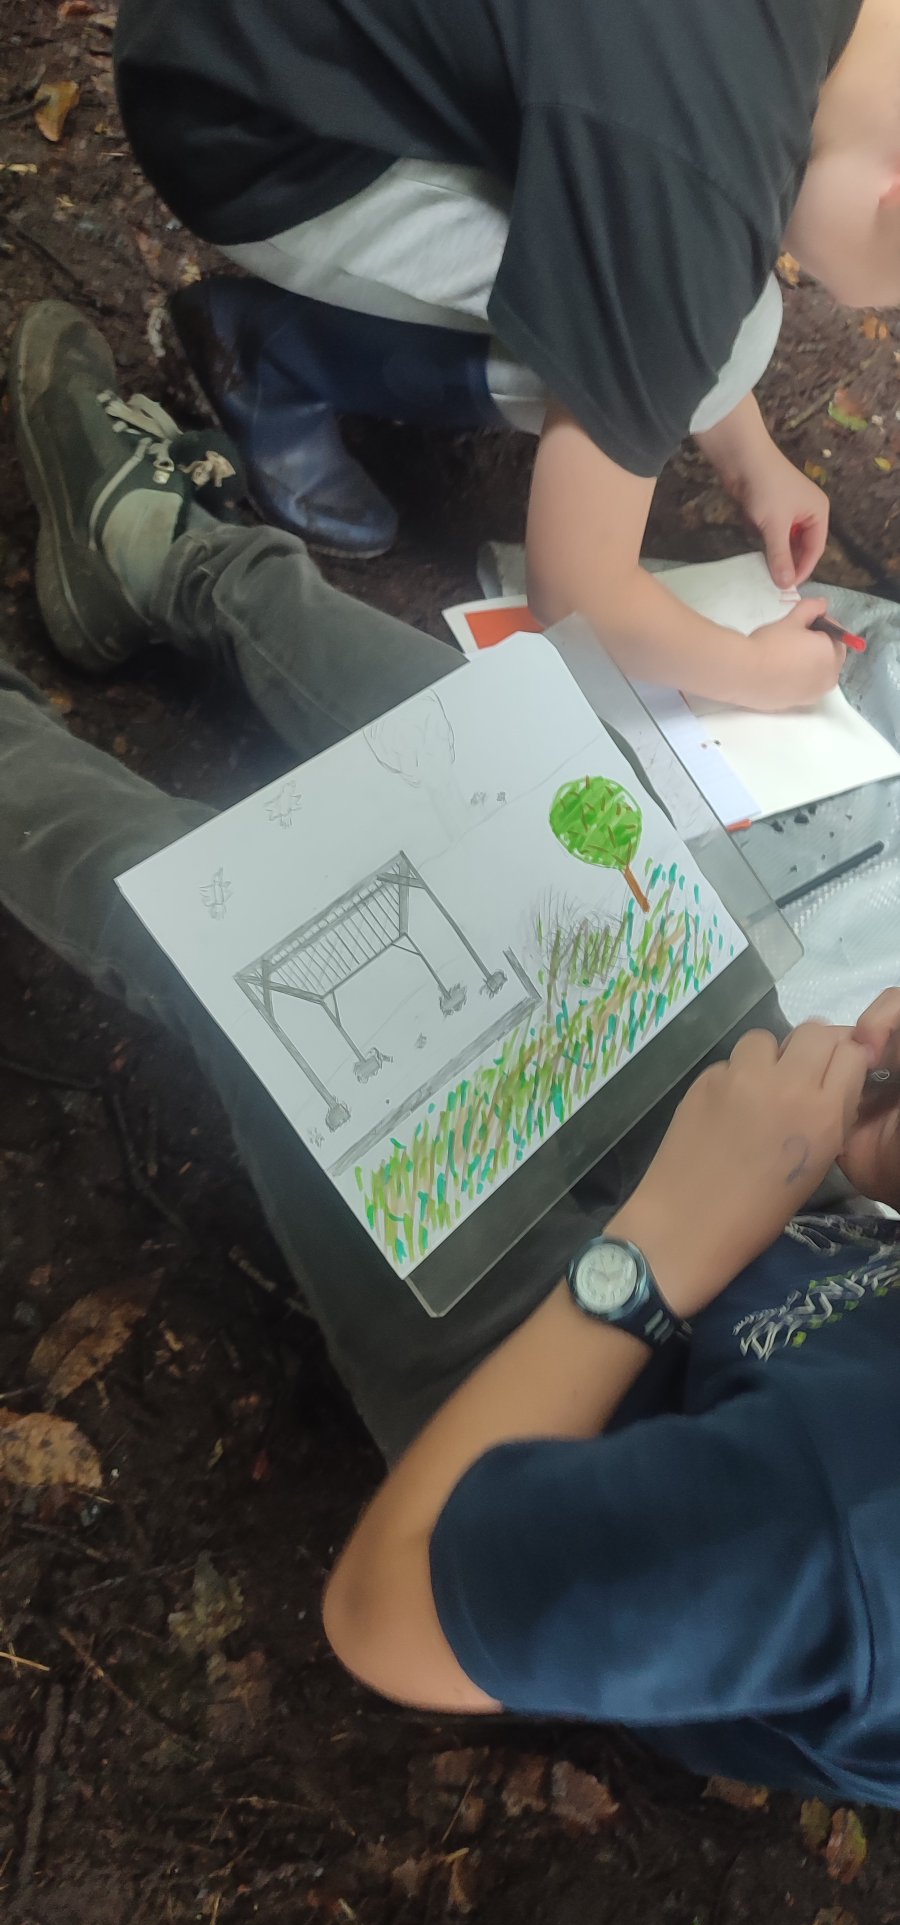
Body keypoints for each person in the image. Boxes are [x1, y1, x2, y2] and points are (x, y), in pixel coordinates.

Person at [7, 301, 900, 1804]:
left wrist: (658, 1252)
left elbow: (391, 1611)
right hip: (787, 1216)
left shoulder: (848, 1540)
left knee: (259, 950)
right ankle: (170, 557)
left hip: (576, 1387)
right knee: (510, 777)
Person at [111, 0, 888, 707]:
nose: (870, 306)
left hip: (239, 30)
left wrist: (748, 455)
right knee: (738, 331)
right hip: (233, 119)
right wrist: (753, 671)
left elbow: (655, 192)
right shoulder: (710, 156)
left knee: (710, 318)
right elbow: (577, 592)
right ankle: (282, 359)